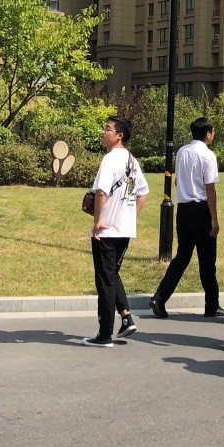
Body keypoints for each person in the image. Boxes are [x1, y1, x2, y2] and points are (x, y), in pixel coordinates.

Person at [83, 116, 149, 348]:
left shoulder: (110, 159)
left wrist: (98, 222)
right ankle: (126, 317)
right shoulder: (131, 159)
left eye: (108, 129)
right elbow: (143, 192)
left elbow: (101, 192)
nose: (104, 132)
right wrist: (130, 217)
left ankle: (104, 335)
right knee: (112, 274)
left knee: (105, 282)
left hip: (108, 231)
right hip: (124, 230)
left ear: (119, 135)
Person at [149, 117, 224, 319]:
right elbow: (210, 188)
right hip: (200, 209)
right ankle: (212, 305)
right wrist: (214, 218)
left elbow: (177, 180)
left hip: (183, 209)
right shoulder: (208, 155)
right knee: (207, 260)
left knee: (182, 257)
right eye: (212, 131)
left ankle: (159, 297)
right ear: (208, 133)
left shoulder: (182, 151)